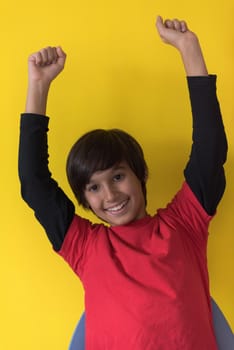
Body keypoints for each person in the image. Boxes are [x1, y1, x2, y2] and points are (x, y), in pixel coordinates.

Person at [18, 16, 227, 349]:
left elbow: (210, 149)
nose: (111, 194)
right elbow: (34, 183)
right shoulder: (84, 246)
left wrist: (189, 49)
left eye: (117, 176)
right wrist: (38, 85)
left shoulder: (184, 225)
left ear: (139, 174)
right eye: (94, 187)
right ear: (84, 198)